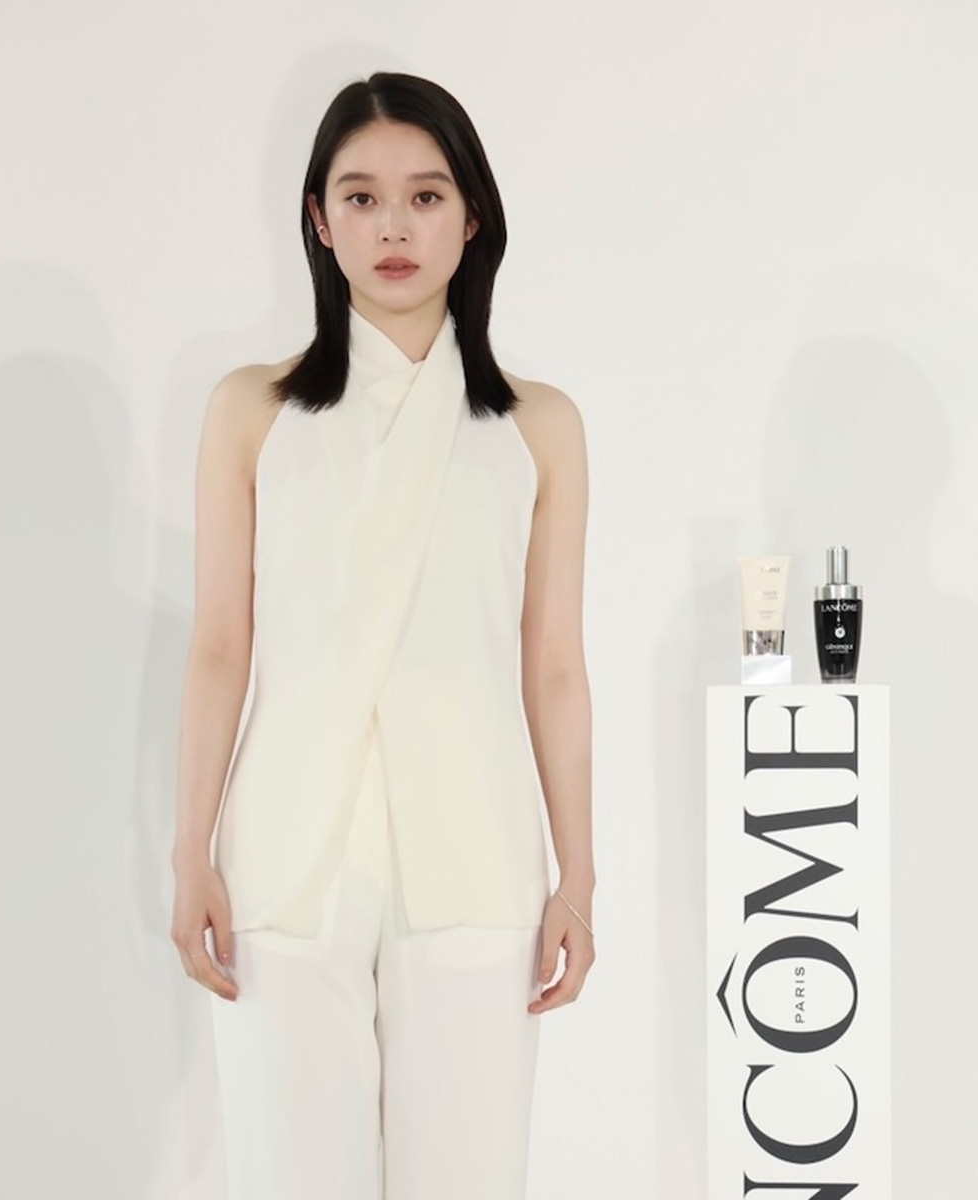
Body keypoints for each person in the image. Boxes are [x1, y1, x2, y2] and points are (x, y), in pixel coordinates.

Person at [170, 70, 595, 1200]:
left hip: (479, 856)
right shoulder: (251, 409)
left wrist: (579, 876)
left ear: (473, 216)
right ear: (319, 220)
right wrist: (189, 851)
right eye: (360, 198)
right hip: (283, 861)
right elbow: (218, 645)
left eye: (425, 195)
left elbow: (554, 667)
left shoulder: (537, 426)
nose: (393, 226)